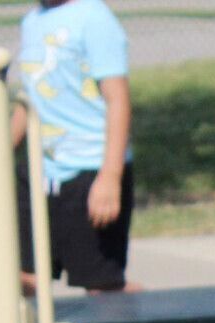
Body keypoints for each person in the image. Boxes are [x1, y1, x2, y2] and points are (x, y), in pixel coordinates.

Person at [9, 0, 138, 295]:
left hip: (90, 171)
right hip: (41, 172)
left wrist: (110, 176)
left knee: (102, 290)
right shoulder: (32, 22)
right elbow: (30, 101)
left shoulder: (94, 18)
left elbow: (118, 100)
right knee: (24, 278)